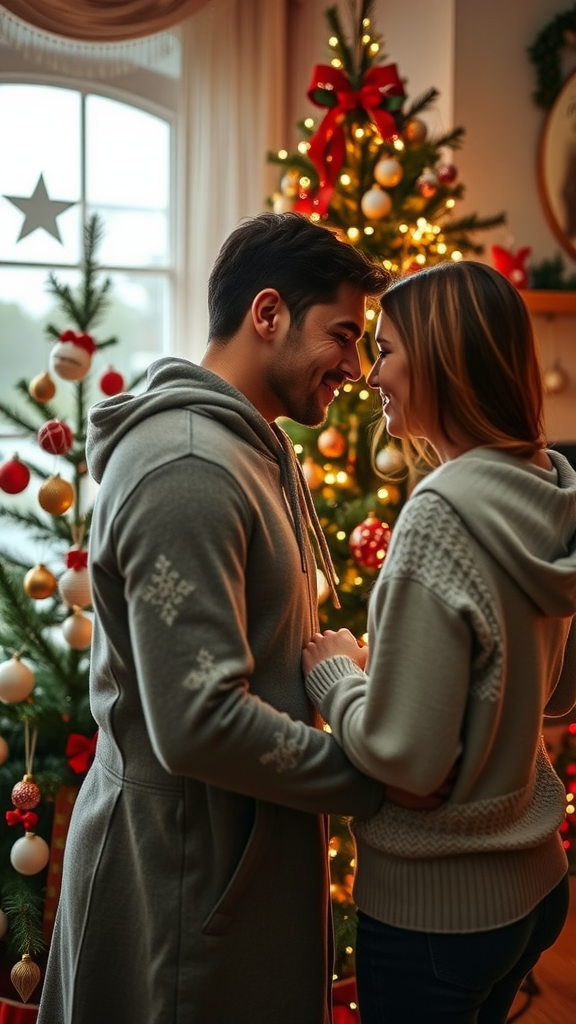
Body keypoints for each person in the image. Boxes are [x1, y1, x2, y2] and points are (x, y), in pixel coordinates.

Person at [35, 212, 394, 1024]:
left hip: (224, 864)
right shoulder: (190, 466)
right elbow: (198, 721)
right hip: (181, 884)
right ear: (267, 314)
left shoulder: (250, 447)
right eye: (342, 335)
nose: (356, 366)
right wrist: (374, 782)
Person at [302, 260, 576, 1024]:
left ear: (441, 358)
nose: (368, 374)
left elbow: (404, 757)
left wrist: (336, 675)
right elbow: (559, 690)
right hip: (537, 885)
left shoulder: (440, 514)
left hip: (439, 913)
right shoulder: (551, 484)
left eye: (384, 351)